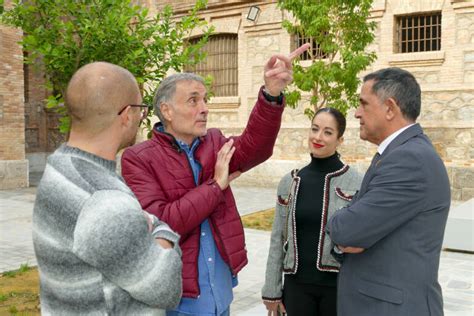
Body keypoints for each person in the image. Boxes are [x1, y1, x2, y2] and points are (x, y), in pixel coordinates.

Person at [121, 43, 310, 316]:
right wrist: (215, 186)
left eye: (205, 99)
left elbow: (256, 147)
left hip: (220, 291)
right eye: (193, 100)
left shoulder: (214, 142)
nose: (205, 108)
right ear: (167, 111)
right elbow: (164, 223)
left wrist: (272, 92)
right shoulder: (138, 159)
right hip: (180, 299)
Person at [32, 62, 183, 315]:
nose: (141, 118)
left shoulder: (59, 165)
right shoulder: (105, 203)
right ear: (126, 115)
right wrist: (163, 235)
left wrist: (142, 223)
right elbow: (167, 289)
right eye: (141, 110)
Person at [327, 67, 451, 316]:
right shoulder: (401, 153)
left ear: (390, 108)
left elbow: (347, 230)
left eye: (363, 103)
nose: (356, 113)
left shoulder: (408, 159)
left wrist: (347, 226)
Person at [261, 108, 363, 316]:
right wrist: (272, 291)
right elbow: (277, 240)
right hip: (296, 288)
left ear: (339, 140)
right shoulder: (289, 182)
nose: (318, 137)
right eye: (315, 129)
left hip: (339, 288)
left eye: (327, 132)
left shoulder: (356, 182)